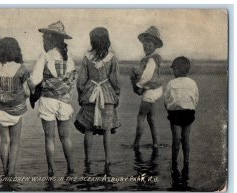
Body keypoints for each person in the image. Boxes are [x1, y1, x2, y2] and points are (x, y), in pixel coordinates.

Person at [29, 21, 75, 177]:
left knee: (49, 138)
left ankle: (51, 172)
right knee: (65, 136)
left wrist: (32, 91)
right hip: (65, 101)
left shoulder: (45, 56)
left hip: (48, 100)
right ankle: (71, 168)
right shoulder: (69, 58)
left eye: (44, 38)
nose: (43, 41)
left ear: (51, 39)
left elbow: (34, 80)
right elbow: (70, 81)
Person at [74, 27, 121, 174]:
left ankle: (87, 159)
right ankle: (107, 159)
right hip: (107, 95)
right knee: (107, 129)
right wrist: (117, 94)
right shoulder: (112, 57)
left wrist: (80, 94)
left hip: (90, 95)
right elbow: (115, 79)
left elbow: (81, 79)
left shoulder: (87, 57)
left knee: (88, 129)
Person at [0, 37, 30, 176]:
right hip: (16, 109)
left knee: (4, 141)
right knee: (15, 143)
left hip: (0, 109)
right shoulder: (21, 68)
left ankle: (5, 171)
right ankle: (11, 173)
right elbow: (26, 88)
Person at [125, 26, 163, 150]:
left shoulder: (151, 59)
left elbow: (147, 76)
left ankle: (136, 143)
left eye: (150, 44)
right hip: (156, 90)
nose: (146, 46)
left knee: (140, 117)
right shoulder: (153, 58)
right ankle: (156, 143)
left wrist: (138, 85)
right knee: (151, 118)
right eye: (145, 43)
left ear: (155, 45)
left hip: (150, 91)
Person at [164, 56, 199, 183]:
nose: (173, 72)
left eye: (174, 69)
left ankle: (174, 163)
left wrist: (168, 109)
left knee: (176, 139)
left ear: (178, 70)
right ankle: (186, 162)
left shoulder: (171, 83)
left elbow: (166, 99)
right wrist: (191, 107)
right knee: (186, 139)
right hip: (189, 113)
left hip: (176, 114)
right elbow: (196, 98)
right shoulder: (192, 82)